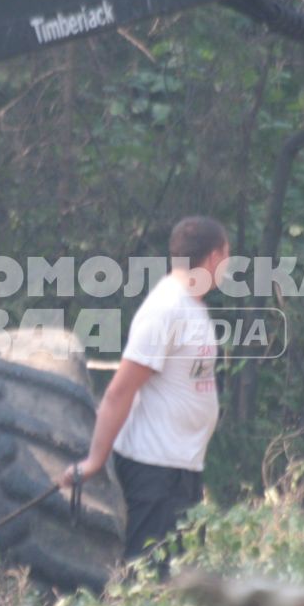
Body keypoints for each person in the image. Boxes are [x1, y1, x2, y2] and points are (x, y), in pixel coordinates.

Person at [59, 216, 228, 567]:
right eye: (227, 258)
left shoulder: (193, 307)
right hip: (153, 469)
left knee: (179, 576)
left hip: (181, 467)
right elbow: (119, 392)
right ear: (213, 257)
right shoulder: (165, 308)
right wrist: (94, 461)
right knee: (149, 578)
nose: (227, 267)